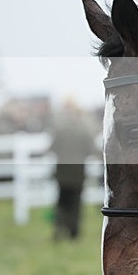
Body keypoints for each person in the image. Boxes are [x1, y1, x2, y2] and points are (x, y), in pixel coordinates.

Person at [50, 98, 96, 240]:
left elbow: (53, 148)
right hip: (77, 173)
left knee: (61, 202)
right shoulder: (84, 131)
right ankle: (73, 232)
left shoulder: (60, 129)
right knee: (75, 203)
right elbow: (90, 150)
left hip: (62, 172)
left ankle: (59, 230)